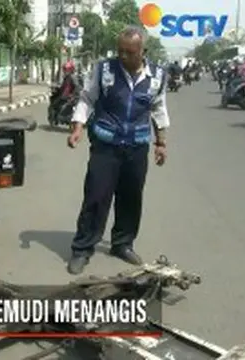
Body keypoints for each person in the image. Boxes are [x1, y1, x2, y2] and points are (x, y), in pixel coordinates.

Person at [66, 26, 170, 275]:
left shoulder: (157, 75)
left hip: (136, 148)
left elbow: (158, 108)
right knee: (96, 197)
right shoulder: (104, 69)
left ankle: (122, 243)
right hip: (105, 146)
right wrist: (77, 127)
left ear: (142, 51)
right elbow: (87, 98)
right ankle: (82, 249)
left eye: (129, 52)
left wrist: (161, 142)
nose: (123, 56)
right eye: (120, 51)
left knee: (131, 198)